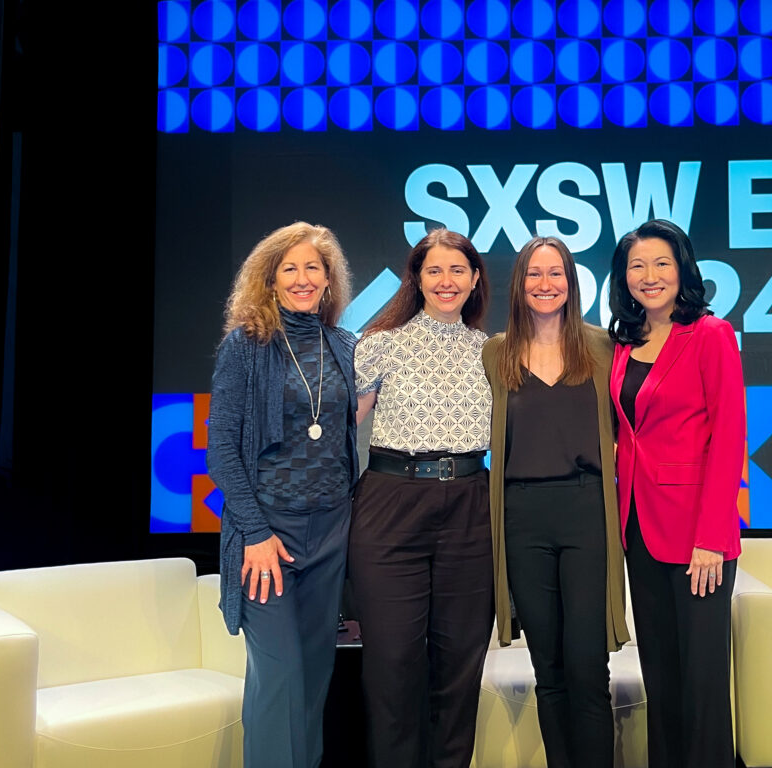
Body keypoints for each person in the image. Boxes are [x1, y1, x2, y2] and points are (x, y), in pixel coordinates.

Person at [206, 221, 358, 768]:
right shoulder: (246, 346)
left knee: (315, 674)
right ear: (269, 280)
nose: (301, 278)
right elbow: (220, 446)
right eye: (288, 268)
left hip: (331, 530)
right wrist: (256, 532)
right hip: (268, 534)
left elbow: (343, 433)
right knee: (280, 675)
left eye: (312, 267)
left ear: (328, 279)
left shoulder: (344, 344)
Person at [482, 236, 631, 768]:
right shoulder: (494, 352)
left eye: (556, 275)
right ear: (520, 284)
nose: (545, 286)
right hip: (522, 517)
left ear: (572, 283)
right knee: (549, 669)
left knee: (587, 666)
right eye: (533, 275)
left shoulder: (601, 347)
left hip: (586, 510)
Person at [350, 228, 494, 768]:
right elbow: (343, 424)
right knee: (392, 663)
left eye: (458, 270)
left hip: (468, 506)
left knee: (460, 662)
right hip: (391, 503)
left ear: (475, 278)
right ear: (418, 278)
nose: (446, 281)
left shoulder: (492, 353)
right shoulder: (379, 344)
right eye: (434, 270)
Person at [607, 219, 745, 768]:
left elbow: (729, 436)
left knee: (702, 683)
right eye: (637, 266)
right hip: (640, 529)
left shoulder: (710, 333)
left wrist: (713, 536)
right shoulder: (624, 340)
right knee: (660, 677)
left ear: (682, 269)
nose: (649, 276)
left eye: (661, 263)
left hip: (698, 537)